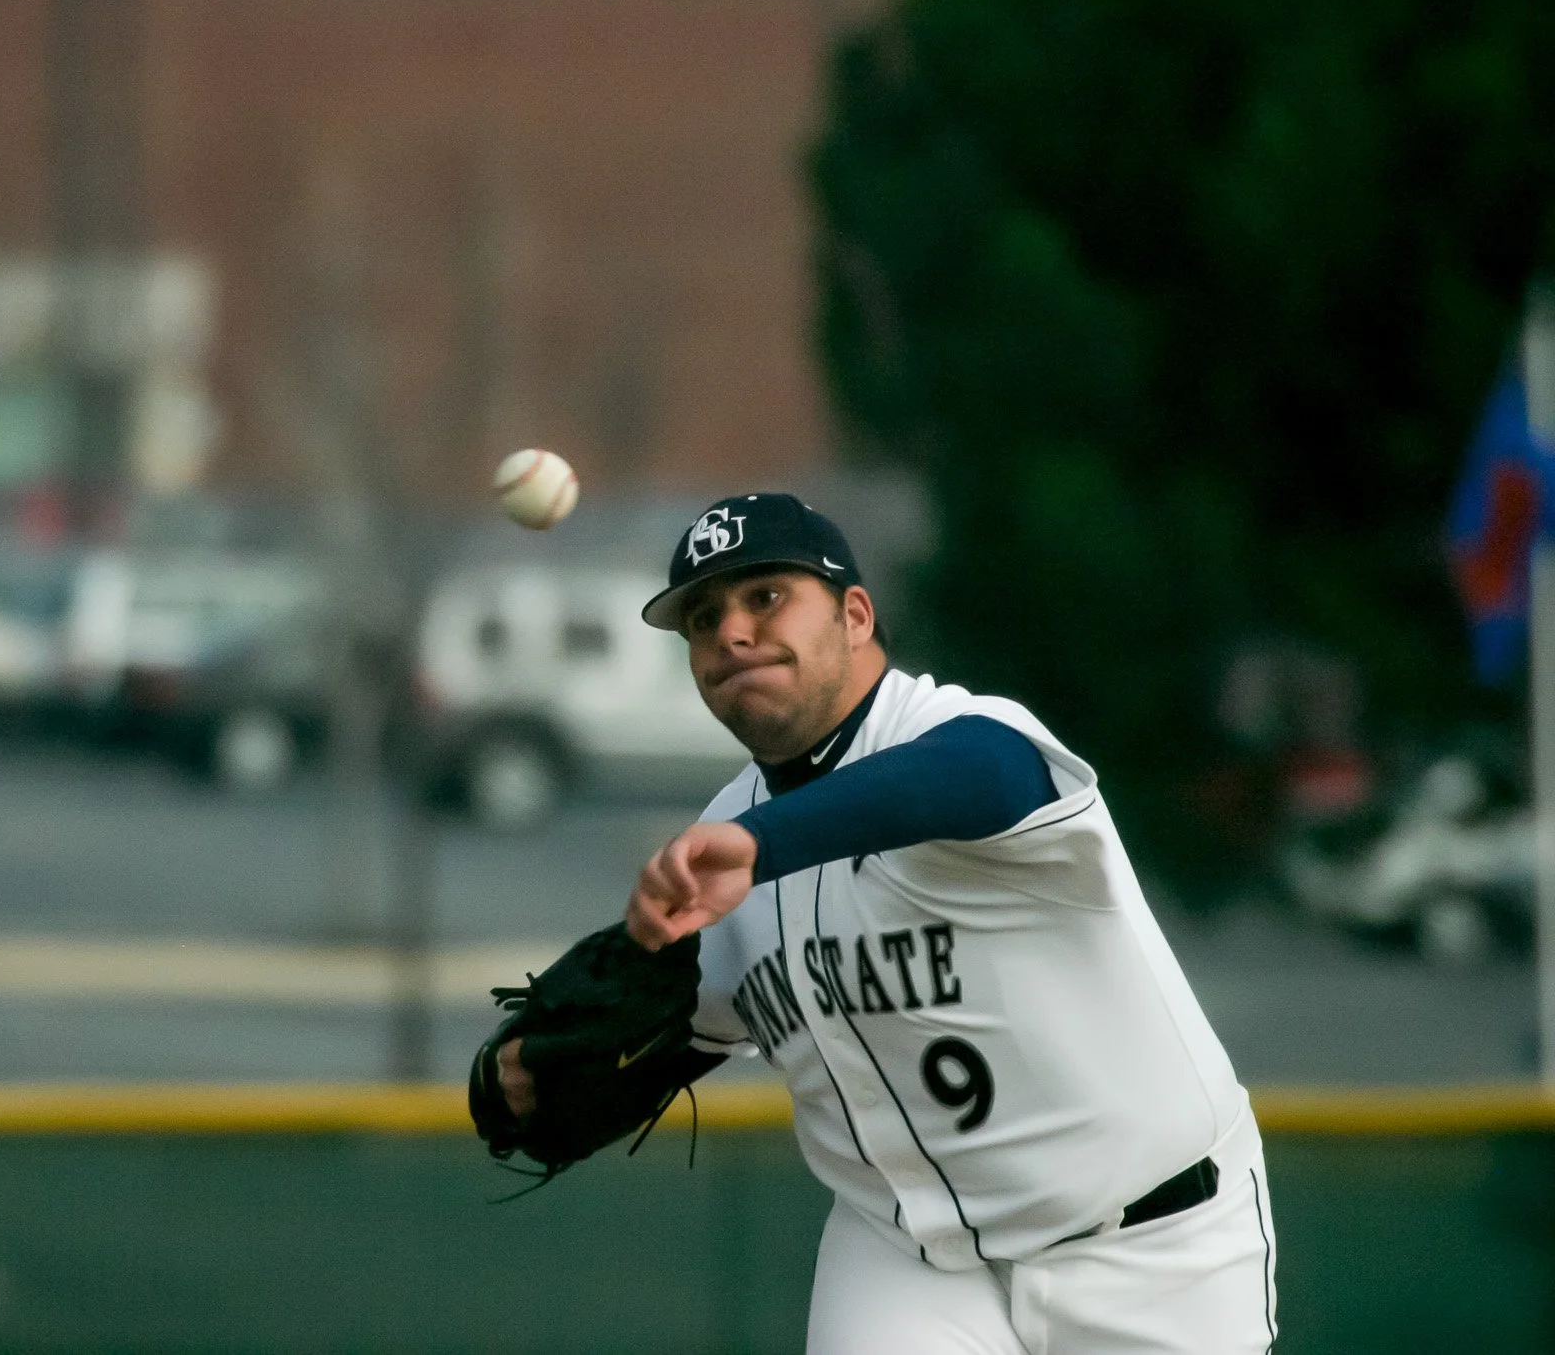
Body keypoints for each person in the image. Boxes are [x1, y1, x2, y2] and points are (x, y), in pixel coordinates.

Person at [497, 494, 1277, 1354]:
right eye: (704, 618)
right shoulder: (720, 844)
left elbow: (984, 777)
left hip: (1153, 1245)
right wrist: (526, 1072)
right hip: (907, 1262)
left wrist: (761, 844)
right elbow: (654, 1029)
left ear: (856, 614)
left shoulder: (960, 738)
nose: (731, 633)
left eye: (765, 597)